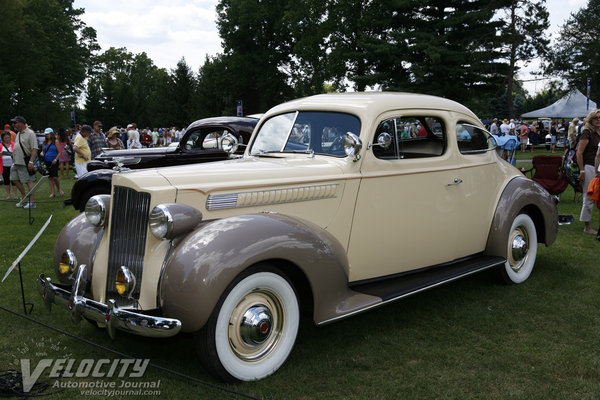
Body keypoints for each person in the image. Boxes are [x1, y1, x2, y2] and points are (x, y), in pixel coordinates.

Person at [576, 109, 600, 234]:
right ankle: (587, 226)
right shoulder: (587, 133)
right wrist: (582, 171)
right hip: (589, 167)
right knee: (589, 196)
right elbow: (579, 153)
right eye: (596, 118)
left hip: (598, 167)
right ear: (591, 119)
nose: (598, 120)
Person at [9, 116, 38, 208]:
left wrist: (31, 162)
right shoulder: (18, 133)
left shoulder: (30, 133)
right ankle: (25, 198)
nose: (13, 125)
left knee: (28, 181)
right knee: (13, 179)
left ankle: (32, 202)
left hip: (24, 161)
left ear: (21, 123)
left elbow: (34, 148)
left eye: (15, 123)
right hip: (16, 162)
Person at [39, 128, 63, 197]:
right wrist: (41, 153)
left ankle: (59, 189)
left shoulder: (56, 142)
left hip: (54, 161)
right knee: (50, 177)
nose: (47, 136)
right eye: (46, 134)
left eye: (48, 134)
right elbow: (43, 151)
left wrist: (55, 159)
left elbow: (59, 152)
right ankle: (52, 192)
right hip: (47, 161)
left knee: (55, 177)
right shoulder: (44, 142)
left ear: (51, 134)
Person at [1, 132, 17, 199]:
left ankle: (15, 195)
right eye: (5, 138)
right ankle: (8, 195)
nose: (7, 139)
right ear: (3, 139)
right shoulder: (0, 145)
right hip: (4, 165)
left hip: (13, 165)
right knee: (6, 180)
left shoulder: (14, 144)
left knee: (14, 180)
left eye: (8, 137)